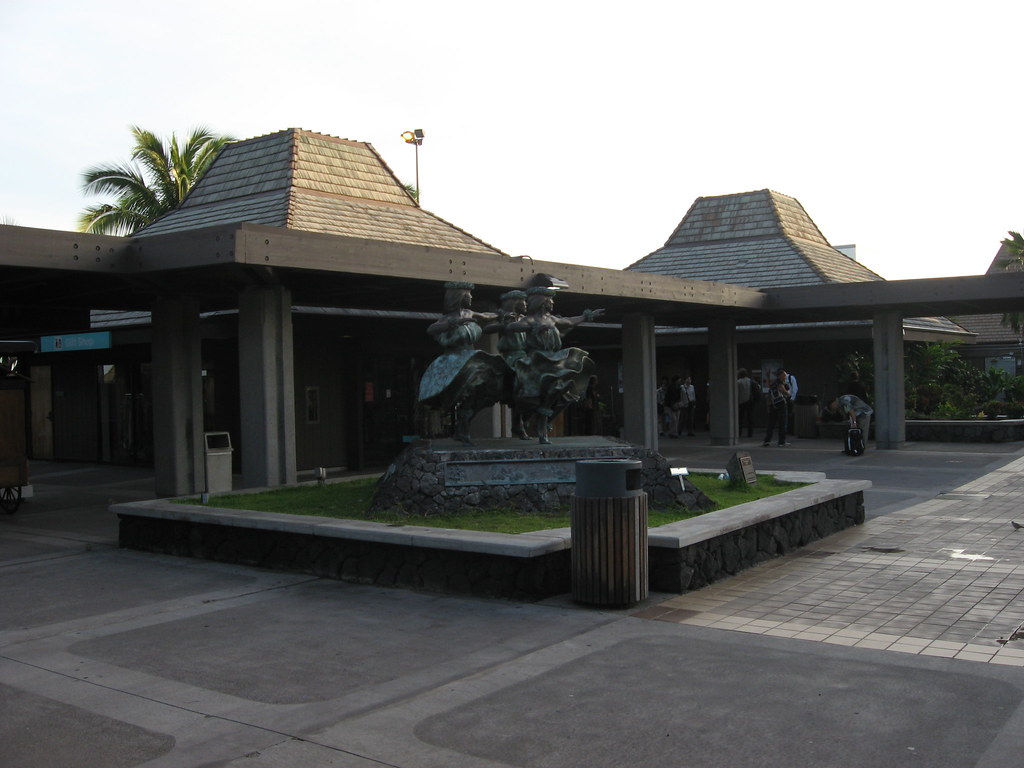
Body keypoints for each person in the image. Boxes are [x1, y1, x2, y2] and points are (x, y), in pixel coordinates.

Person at [506, 287, 604, 444]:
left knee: (566, 390)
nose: (552, 303)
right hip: (536, 360)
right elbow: (512, 327)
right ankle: (532, 421)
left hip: (553, 359)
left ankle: (544, 420)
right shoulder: (531, 319)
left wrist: (587, 316)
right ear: (542, 303)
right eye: (550, 300)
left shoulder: (552, 319)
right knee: (535, 390)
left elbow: (569, 321)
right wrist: (534, 327)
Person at [418, 282, 508, 444]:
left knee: (491, 382)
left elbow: (486, 316)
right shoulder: (448, 318)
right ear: (459, 298)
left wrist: (500, 315)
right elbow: (431, 329)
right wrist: (452, 323)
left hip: (473, 358)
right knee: (466, 388)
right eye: (468, 295)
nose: (471, 297)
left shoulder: (470, 313)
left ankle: (465, 419)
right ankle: (461, 421)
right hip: (455, 360)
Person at [762, 369, 791, 447]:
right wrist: (788, 393)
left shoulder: (774, 383)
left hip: (773, 406)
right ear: (780, 376)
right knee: (782, 423)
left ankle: (767, 440)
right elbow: (783, 391)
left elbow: (769, 386)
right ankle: (781, 442)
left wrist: (768, 376)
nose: (785, 377)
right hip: (781, 405)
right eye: (784, 375)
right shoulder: (780, 383)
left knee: (771, 424)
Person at [737, 368, 754, 438]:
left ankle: (739, 432)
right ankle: (750, 433)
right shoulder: (750, 381)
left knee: (740, 418)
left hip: (741, 401)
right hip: (749, 401)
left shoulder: (738, 382)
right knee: (750, 418)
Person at [783, 369, 799, 436]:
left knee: (791, 414)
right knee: (787, 414)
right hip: (786, 398)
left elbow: (795, 388)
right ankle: (787, 429)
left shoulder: (791, 378)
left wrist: (792, 398)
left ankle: (791, 430)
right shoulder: (782, 380)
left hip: (791, 398)